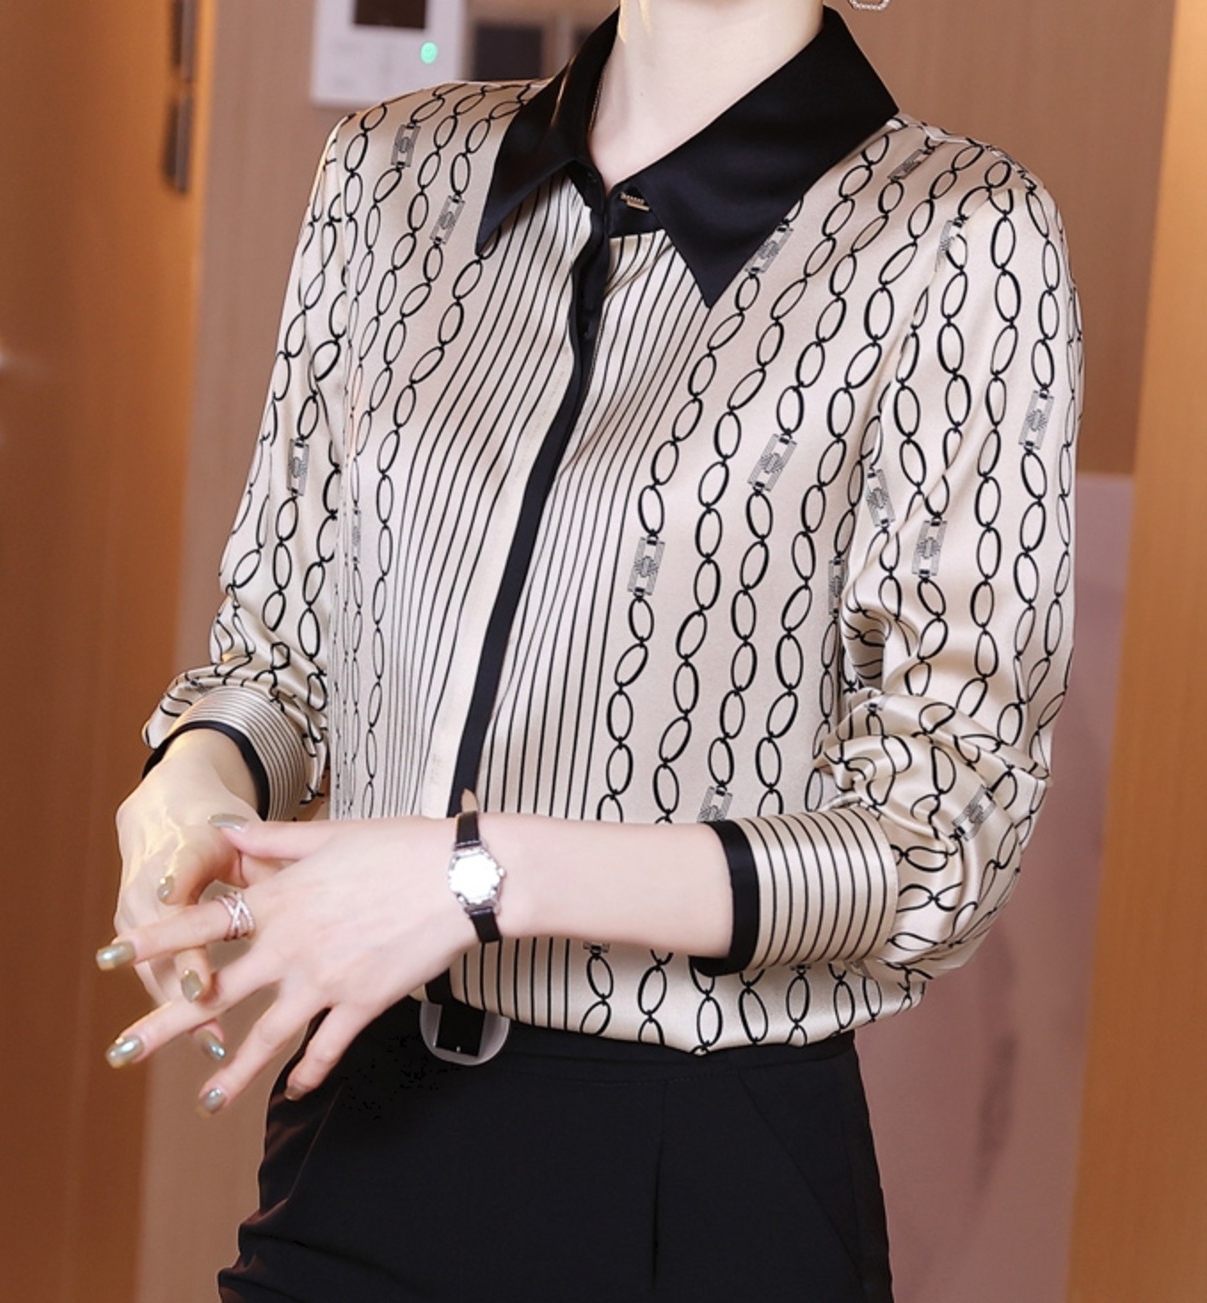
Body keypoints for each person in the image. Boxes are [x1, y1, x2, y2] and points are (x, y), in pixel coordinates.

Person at [97, 0, 1081, 1298]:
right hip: (362, 1118)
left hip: (696, 1161)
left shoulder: (961, 235)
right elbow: (280, 655)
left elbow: (941, 845)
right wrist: (197, 776)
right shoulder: (390, 173)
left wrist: (476, 874)